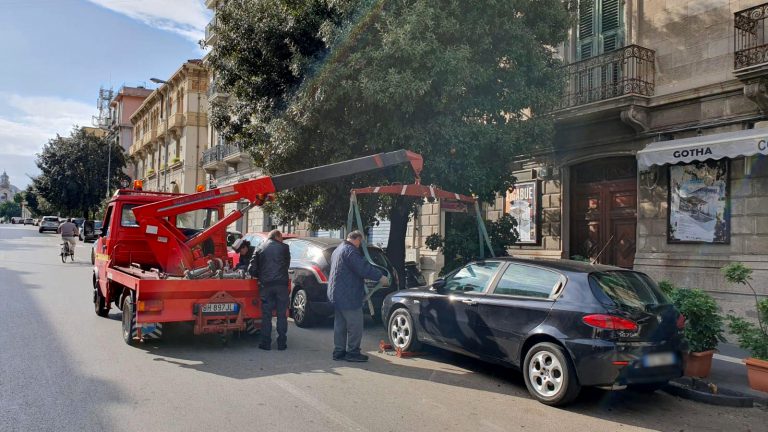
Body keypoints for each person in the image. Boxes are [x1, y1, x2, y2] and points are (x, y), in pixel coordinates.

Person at [327, 231, 387, 362]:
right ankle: (353, 352)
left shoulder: (338, 249)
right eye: (360, 242)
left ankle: (339, 351)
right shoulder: (350, 251)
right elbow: (363, 268)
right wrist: (380, 277)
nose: (360, 246)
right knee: (355, 325)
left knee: (340, 325)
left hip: (336, 293)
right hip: (348, 295)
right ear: (357, 239)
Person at [248, 230, 290, 351]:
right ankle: (282, 344)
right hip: (281, 285)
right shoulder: (284, 248)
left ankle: (265, 343)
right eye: (281, 237)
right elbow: (286, 265)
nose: (282, 240)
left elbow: (252, 269)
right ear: (277, 237)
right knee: (282, 315)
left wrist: (260, 275)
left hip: (266, 285)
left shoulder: (260, 247)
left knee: (266, 316)